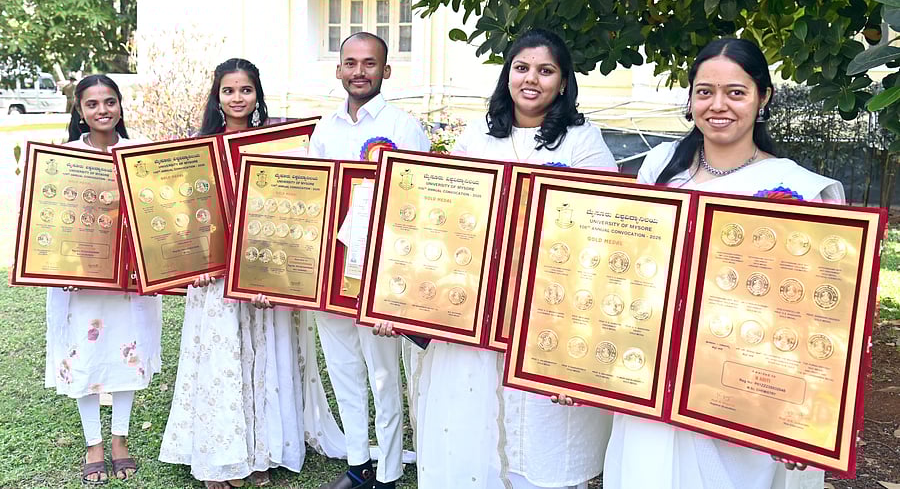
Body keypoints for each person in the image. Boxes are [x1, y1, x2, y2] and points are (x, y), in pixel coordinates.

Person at [376, 28, 618, 489]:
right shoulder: (478, 134)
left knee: (541, 425)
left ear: (563, 83)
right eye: (521, 68)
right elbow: (440, 219)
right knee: (474, 420)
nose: (531, 79)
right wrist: (398, 297)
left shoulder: (582, 141)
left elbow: (603, 227)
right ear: (507, 74)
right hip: (476, 304)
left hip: (546, 303)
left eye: (545, 71)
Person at [602, 37, 839, 489]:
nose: (718, 105)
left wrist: (805, 422)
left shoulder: (797, 186)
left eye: (736, 92)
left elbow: (815, 316)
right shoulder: (660, 168)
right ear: (690, 98)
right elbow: (624, 271)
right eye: (705, 91)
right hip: (655, 371)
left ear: (763, 97)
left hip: (741, 382)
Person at [159, 58, 346, 488]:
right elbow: (185, 214)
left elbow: (299, 209)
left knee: (266, 353)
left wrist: (279, 274)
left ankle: (264, 450)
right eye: (229, 91)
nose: (237, 98)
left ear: (257, 94)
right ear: (217, 96)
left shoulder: (277, 145)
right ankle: (220, 453)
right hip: (217, 272)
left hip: (265, 270)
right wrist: (194, 265)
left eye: (246, 90)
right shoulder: (200, 147)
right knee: (224, 356)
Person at [308, 31, 430, 489]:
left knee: (383, 372)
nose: (360, 71)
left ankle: (390, 469)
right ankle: (358, 463)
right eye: (351, 63)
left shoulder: (404, 128)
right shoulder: (325, 129)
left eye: (370, 63)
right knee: (342, 367)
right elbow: (313, 198)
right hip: (331, 271)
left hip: (379, 271)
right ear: (339, 70)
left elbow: (421, 206)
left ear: (386, 71)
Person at [46, 74, 163, 484]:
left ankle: (120, 440)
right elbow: (52, 226)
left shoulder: (139, 154)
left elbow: (156, 218)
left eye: (109, 102)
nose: (102, 110)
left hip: (129, 282)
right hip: (81, 283)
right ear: (80, 111)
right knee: (86, 359)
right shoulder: (62, 158)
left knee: (125, 356)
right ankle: (93, 443)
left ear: (120, 106)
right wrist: (61, 270)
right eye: (92, 104)